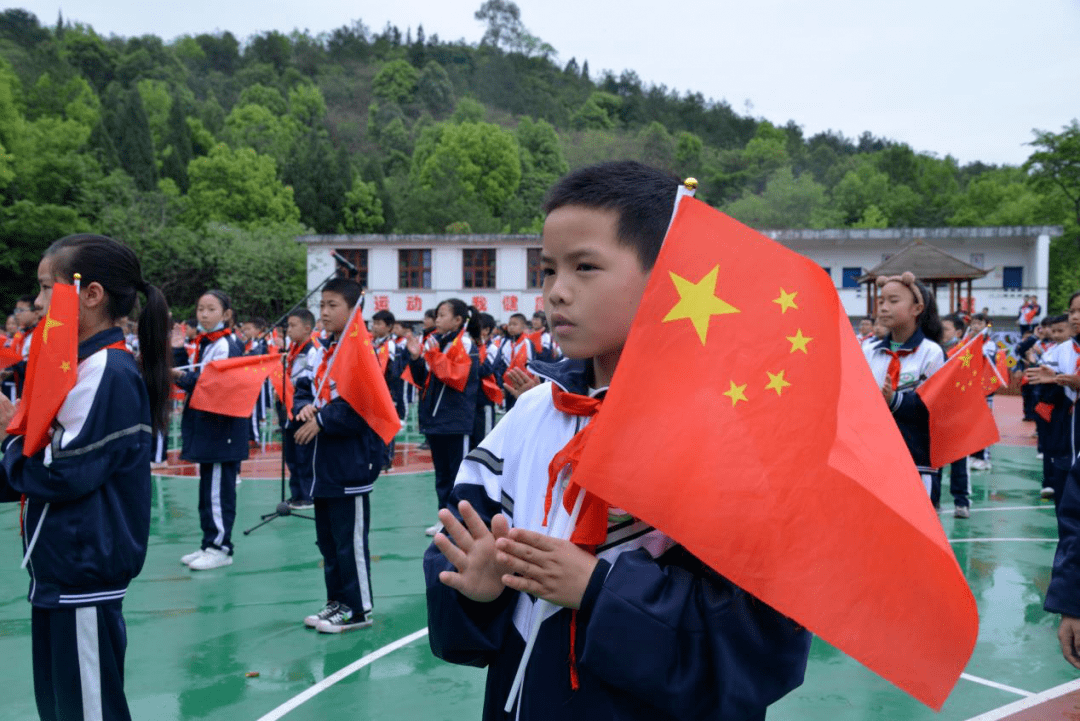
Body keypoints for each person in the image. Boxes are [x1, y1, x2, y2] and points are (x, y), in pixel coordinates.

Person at [424, 161, 811, 720]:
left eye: (586, 267)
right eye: (549, 268)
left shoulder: (727, 434)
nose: (556, 292)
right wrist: (475, 586)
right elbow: (456, 537)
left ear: (667, 278)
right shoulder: (534, 413)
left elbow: (759, 636)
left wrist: (599, 590)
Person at [0, 234, 170, 721]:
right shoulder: (75, 366)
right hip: (59, 571)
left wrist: (7, 438)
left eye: (45, 288)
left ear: (90, 294)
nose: (36, 303)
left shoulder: (106, 372)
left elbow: (62, 475)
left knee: (88, 711)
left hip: (84, 572)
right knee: (60, 707)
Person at [294, 278, 384, 633]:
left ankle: (359, 608)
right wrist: (303, 407)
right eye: (323, 305)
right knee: (328, 541)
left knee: (350, 542)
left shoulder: (361, 351)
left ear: (352, 310)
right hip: (322, 465)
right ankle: (338, 601)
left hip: (350, 464)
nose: (325, 312)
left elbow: (363, 403)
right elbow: (304, 386)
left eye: (333, 305)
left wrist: (323, 420)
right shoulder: (320, 350)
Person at [173, 290, 249, 571]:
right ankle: (209, 542)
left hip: (222, 428)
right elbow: (194, 373)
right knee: (208, 489)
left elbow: (210, 384)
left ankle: (221, 547)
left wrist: (179, 376)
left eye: (210, 309)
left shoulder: (228, 344)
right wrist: (178, 352)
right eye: (200, 309)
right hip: (209, 426)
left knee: (219, 490)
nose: (203, 314)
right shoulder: (207, 342)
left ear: (226, 314)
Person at [864, 272, 946, 500]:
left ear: (916, 309)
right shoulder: (868, 351)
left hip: (915, 462)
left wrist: (895, 400)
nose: (883, 307)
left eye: (893, 300)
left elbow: (935, 406)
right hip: (872, 459)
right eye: (881, 301)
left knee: (914, 533)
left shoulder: (932, 353)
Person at [407, 299, 480, 536]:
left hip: (455, 420)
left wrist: (431, 356)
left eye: (442, 315)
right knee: (442, 475)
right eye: (436, 315)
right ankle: (445, 517)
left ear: (458, 320)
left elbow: (456, 377)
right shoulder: (437, 343)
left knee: (459, 473)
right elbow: (422, 380)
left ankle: (461, 521)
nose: (436, 319)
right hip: (436, 420)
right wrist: (417, 358)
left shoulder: (465, 343)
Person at [1041, 291, 1080, 670]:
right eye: (1073, 311)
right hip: (1064, 436)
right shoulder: (1062, 350)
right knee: (1067, 505)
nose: (1076, 317)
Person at [282, 308, 318, 509]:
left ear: (307, 328)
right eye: (288, 325)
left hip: (304, 411)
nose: (288, 330)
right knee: (292, 456)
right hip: (290, 410)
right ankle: (296, 493)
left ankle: (307, 495)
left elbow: (310, 383)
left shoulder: (312, 352)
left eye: (293, 326)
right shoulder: (293, 351)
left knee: (305, 455)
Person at [938, 314, 972, 517]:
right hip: (939, 415)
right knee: (935, 461)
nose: (942, 333)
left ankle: (961, 502)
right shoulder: (935, 351)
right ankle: (933, 501)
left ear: (958, 333)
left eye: (947, 329)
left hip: (959, 415)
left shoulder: (965, 353)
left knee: (959, 461)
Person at [371, 309, 402, 471]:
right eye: (373, 323)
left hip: (386, 392)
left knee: (385, 427)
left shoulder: (390, 346)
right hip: (373, 392)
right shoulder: (373, 343)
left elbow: (394, 371)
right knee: (373, 426)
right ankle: (376, 457)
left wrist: (392, 393)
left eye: (378, 324)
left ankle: (385, 459)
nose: (374, 327)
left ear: (389, 327)